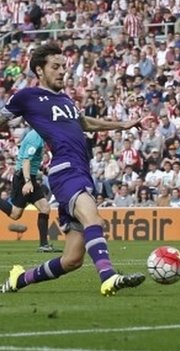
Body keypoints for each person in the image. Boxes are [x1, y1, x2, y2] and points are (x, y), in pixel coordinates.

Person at [0, 44, 146, 296]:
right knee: (94, 218)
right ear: (39, 70)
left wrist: (122, 124)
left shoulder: (66, 100)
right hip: (65, 169)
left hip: (80, 169)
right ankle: (108, 277)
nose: (61, 72)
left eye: (63, 67)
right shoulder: (27, 96)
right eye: (55, 67)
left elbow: (85, 123)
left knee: (72, 260)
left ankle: (18, 279)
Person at [0, 129, 61, 253]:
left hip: (30, 177)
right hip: (23, 177)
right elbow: (26, 161)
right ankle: (43, 245)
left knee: (45, 208)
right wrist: (27, 182)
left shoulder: (39, 135)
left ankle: (44, 245)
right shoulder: (35, 138)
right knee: (15, 214)